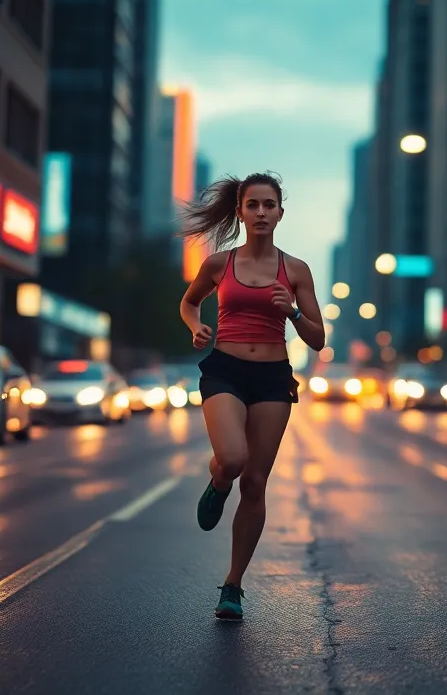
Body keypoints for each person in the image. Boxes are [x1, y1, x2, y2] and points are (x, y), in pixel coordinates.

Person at [178, 171, 326, 621]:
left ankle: (232, 585)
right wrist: (195, 326)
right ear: (240, 212)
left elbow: (318, 339)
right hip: (225, 370)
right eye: (253, 205)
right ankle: (218, 480)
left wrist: (293, 311)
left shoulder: (296, 270)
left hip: (272, 379)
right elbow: (189, 302)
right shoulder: (219, 264)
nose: (261, 212)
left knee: (257, 482)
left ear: (281, 213)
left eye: (269, 205)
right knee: (234, 458)